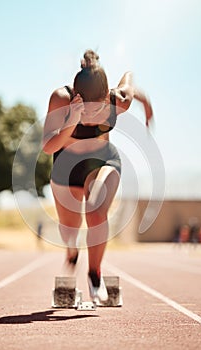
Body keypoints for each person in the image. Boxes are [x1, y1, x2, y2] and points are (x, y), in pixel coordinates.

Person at [43, 49, 153, 303]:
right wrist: (72, 119)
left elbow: (129, 78)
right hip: (66, 167)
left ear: (107, 96)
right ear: (76, 96)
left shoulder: (119, 101)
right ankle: (72, 253)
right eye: (86, 110)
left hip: (103, 160)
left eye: (98, 109)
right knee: (70, 232)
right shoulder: (61, 99)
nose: (91, 117)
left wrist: (145, 103)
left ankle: (95, 274)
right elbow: (48, 146)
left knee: (95, 211)